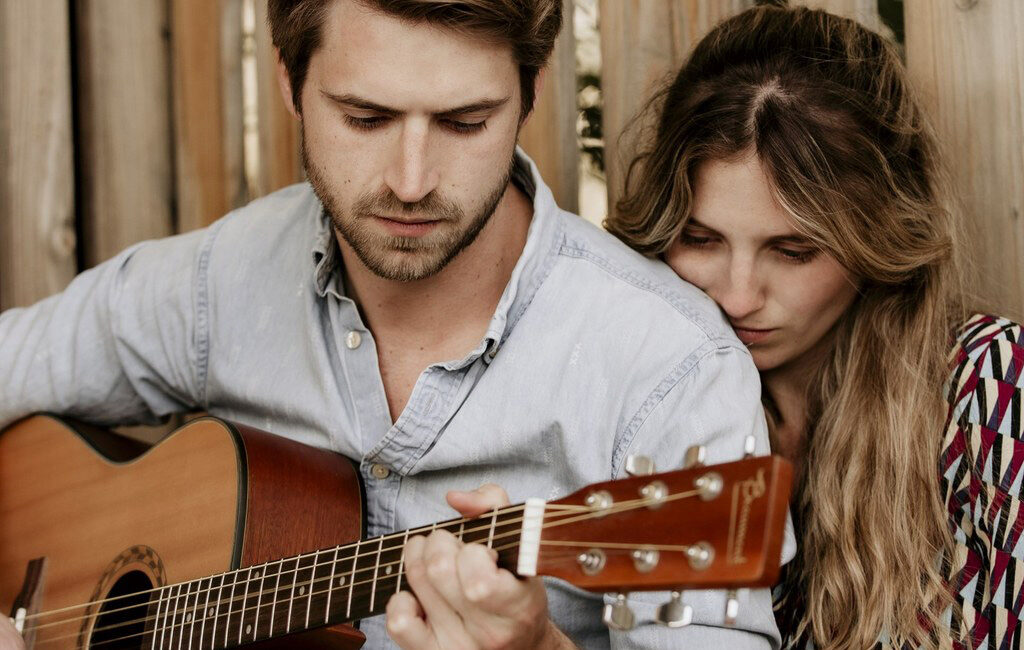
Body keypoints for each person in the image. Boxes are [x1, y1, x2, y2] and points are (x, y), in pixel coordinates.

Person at [0, 1, 793, 648]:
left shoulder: (669, 369)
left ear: (534, 87)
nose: (411, 183)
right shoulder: (223, 282)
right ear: (288, 80)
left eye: (464, 122)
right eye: (366, 117)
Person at [607, 3, 1022, 649]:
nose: (739, 297)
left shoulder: (992, 388)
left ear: (878, 237)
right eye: (700, 239)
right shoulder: (640, 404)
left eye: (794, 251)